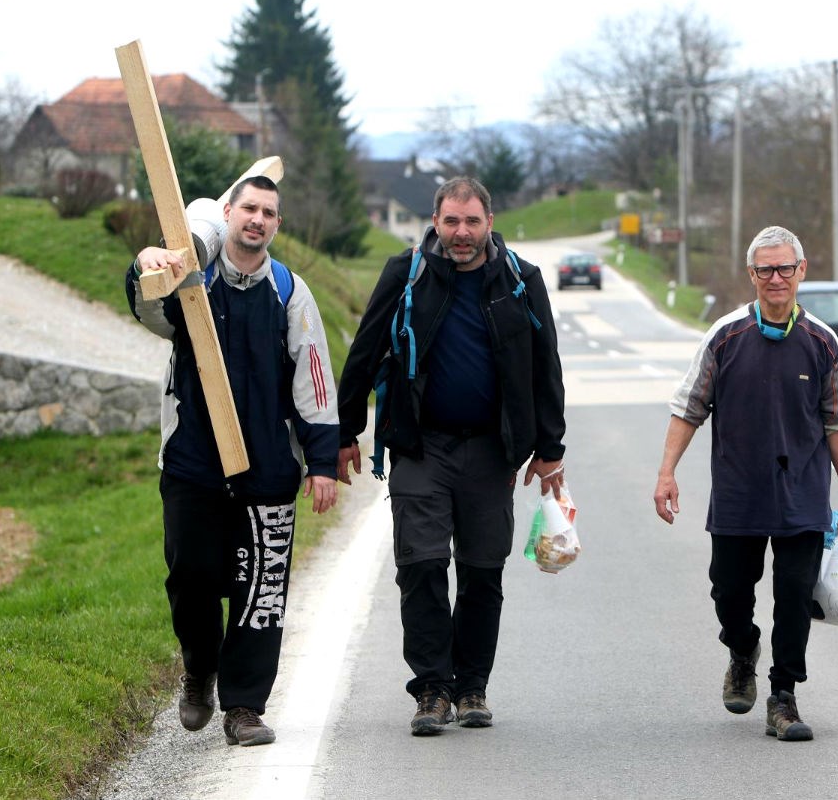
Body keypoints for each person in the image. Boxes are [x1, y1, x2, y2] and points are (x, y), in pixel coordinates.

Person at [337, 176, 567, 736]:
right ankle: (432, 690)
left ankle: (472, 687)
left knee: (483, 573)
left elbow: (545, 364)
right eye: (451, 221)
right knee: (421, 566)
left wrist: (550, 447)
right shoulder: (407, 273)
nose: (461, 233)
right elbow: (365, 352)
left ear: (490, 222)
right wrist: (345, 432)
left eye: (472, 221)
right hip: (420, 445)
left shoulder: (519, 280)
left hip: (493, 452)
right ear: (436, 222)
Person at [126, 175, 339, 747]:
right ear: (228, 214)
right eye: (250, 208)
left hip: (267, 470)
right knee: (190, 578)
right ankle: (200, 668)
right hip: (193, 462)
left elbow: (314, 380)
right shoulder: (193, 284)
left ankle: (245, 707)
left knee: (261, 592)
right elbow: (151, 312)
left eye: (269, 212)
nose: (259, 220)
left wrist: (321, 462)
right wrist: (146, 265)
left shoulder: (290, 292)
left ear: (277, 224)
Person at [652, 225, 838, 742]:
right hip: (738, 495)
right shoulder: (725, 336)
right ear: (751, 275)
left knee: (793, 596)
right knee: (729, 592)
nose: (775, 277)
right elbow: (688, 408)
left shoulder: (823, 343)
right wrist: (666, 473)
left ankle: (783, 697)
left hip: (802, 496)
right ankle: (742, 648)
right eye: (765, 269)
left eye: (784, 268)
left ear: (801, 271)